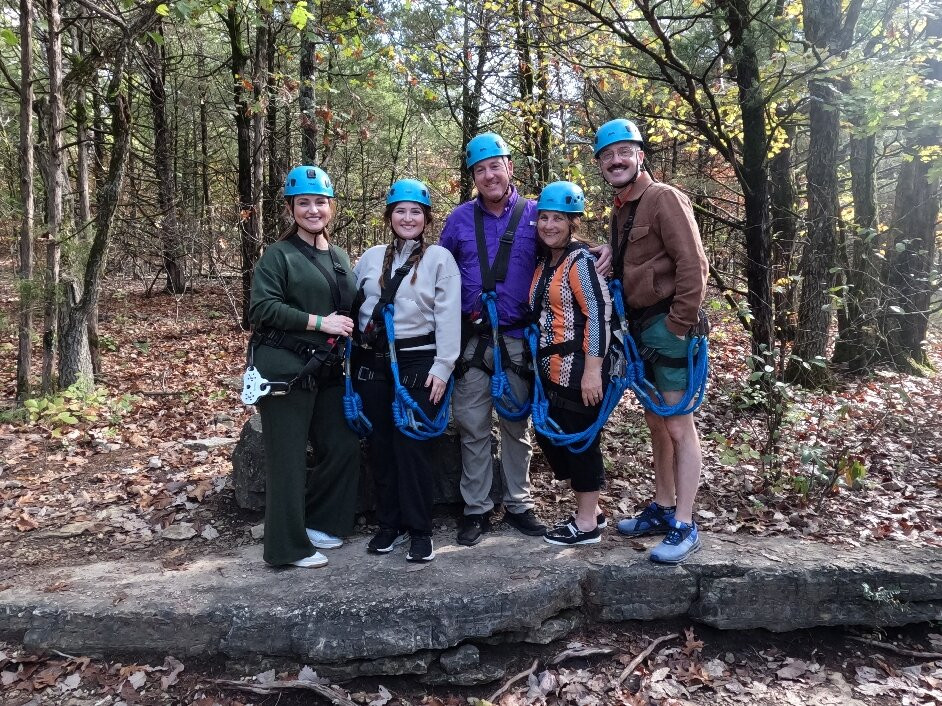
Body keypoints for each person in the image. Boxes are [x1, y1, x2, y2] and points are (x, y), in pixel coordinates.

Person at [440, 132, 613, 547]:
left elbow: (562, 245)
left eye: (494, 166)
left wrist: (605, 249)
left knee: (516, 425)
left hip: (519, 339)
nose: (488, 175)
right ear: (473, 177)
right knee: (472, 426)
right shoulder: (458, 220)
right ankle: (477, 508)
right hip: (473, 339)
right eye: (479, 170)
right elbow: (440, 269)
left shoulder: (536, 215)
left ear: (509, 167)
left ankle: (519, 503)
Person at [594, 119, 709, 564]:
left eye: (624, 152)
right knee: (657, 422)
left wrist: (678, 325)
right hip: (640, 327)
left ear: (640, 156)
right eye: (608, 156)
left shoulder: (664, 198)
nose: (616, 160)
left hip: (668, 325)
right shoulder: (622, 208)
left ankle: (685, 523)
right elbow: (631, 261)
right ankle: (663, 507)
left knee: (678, 423)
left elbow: (693, 264)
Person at [248, 165, 361, 568]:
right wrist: (318, 322)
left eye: (319, 202)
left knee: (344, 444)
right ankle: (286, 548)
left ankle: (319, 524)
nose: (313, 210)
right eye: (303, 203)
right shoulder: (279, 256)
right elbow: (260, 307)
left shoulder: (341, 256)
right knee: (288, 457)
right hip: (284, 367)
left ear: (331, 206)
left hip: (327, 369)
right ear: (291, 208)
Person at [351, 179, 461, 563]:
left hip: (420, 362)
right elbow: (354, 304)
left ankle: (419, 528)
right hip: (375, 361)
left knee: (412, 445)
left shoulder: (439, 260)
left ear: (426, 218)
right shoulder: (370, 258)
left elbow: (448, 317)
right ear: (389, 216)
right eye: (401, 211)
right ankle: (389, 524)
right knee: (381, 447)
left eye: (416, 212)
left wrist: (444, 367)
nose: (408, 218)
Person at [529, 182, 613, 546]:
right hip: (552, 369)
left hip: (580, 368)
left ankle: (586, 523)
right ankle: (591, 511)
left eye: (558, 219)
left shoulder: (580, 262)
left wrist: (593, 371)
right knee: (552, 435)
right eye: (544, 217)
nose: (549, 225)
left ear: (572, 222)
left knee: (580, 441)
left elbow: (597, 315)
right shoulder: (546, 260)